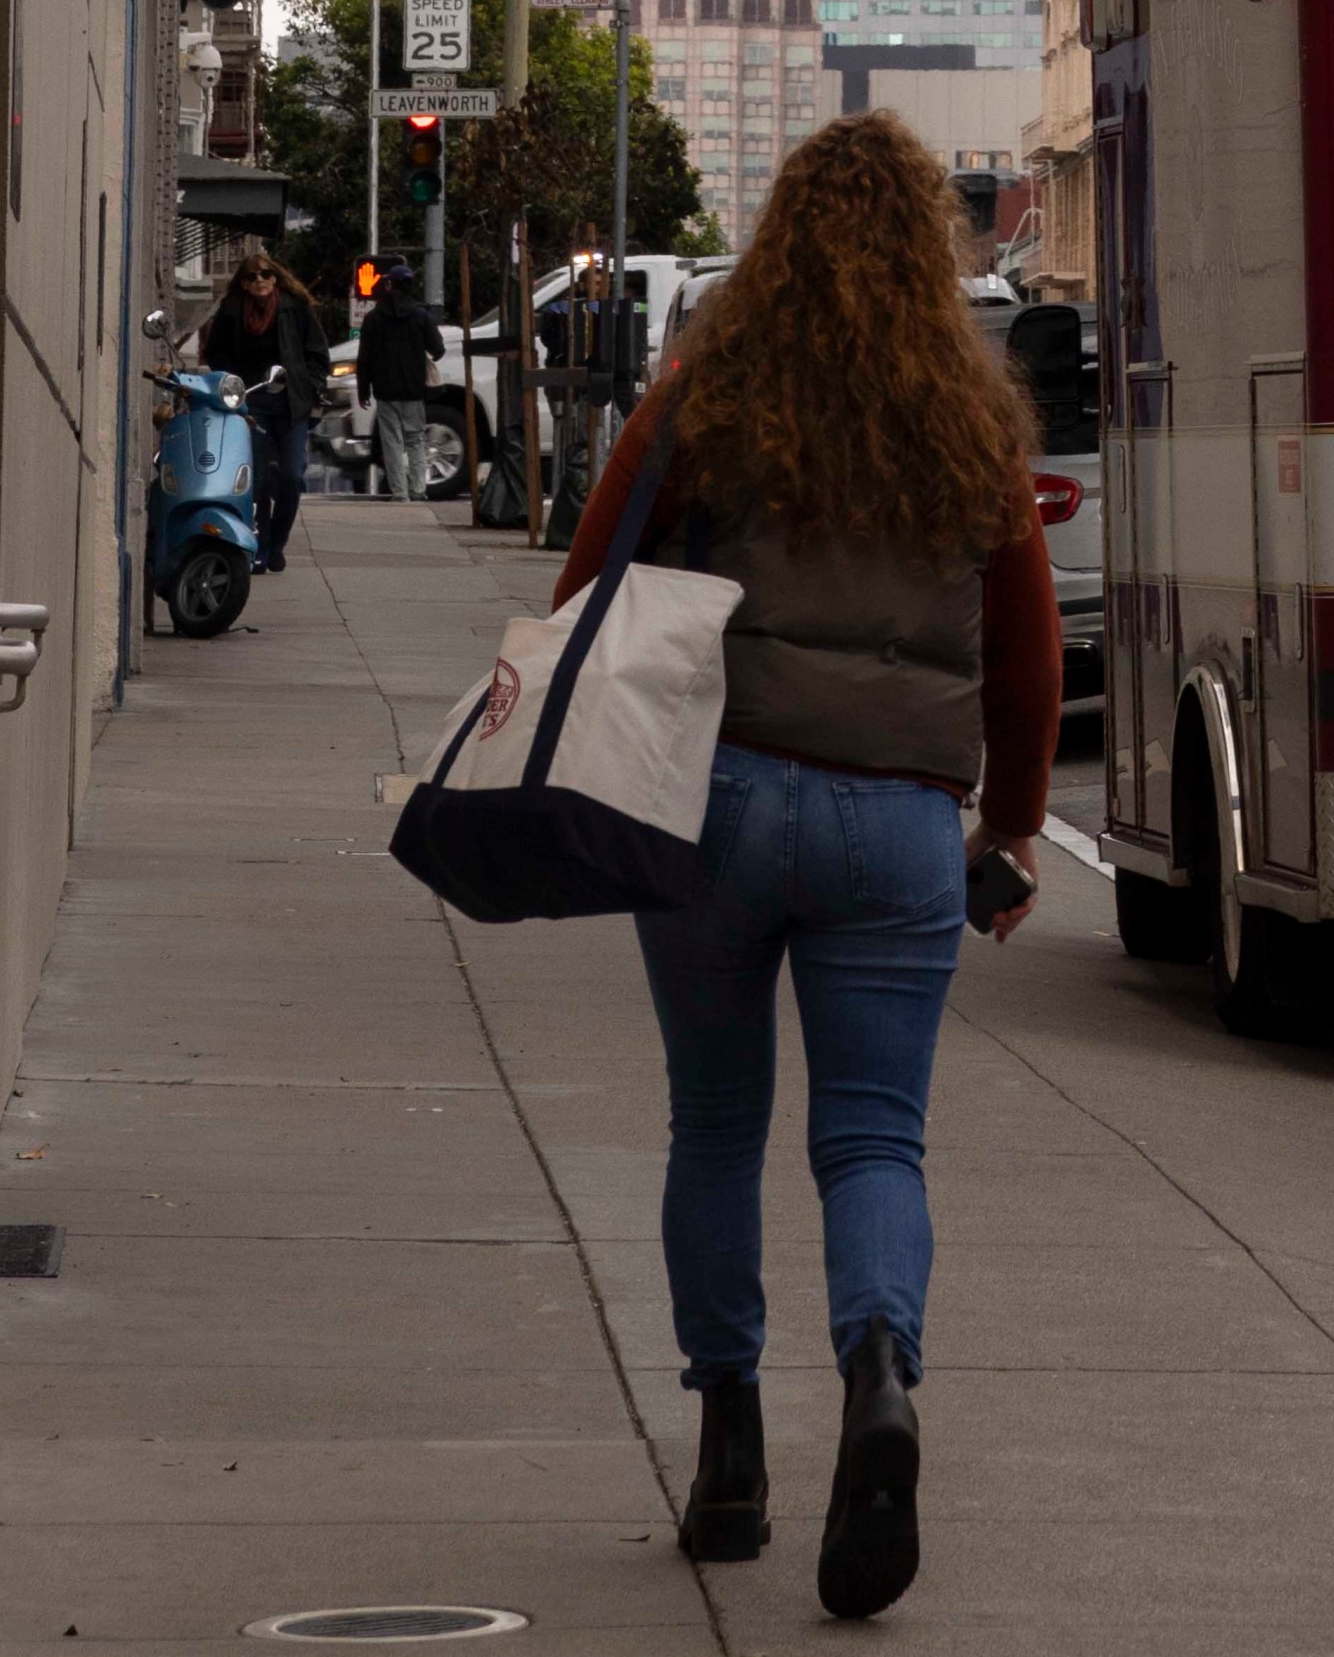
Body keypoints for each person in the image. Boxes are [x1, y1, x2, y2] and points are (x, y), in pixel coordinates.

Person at [551, 110, 1056, 1624]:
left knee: (714, 1123)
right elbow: (1027, 656)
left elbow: (590, 581)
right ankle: (881, 1375)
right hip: (898, 820)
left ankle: (727, 1452)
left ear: (778, 241)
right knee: (872, 1141)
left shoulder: (711, 387)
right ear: (930, 243)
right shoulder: (974, 416)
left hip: (715, 793)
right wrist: (1011, 825)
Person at [192, 242, 331, 574]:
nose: (260, 281)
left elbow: (318, 354)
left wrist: (310, 386)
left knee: (292, 476)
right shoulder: (231, 311)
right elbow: (216, 354)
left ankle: (279, 543)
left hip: (291, 402)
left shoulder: (294, 308)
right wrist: (233, 390)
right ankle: (261, 547)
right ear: (244, 282)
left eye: (266, 274)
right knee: (256, 480)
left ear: (275, 278)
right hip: (251, 403)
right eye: (253, 277)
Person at [355, 261, 442, 503]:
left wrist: (364, 389)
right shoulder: (420, 315)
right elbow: (438, 348)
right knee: (415, 439)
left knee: (391, 441)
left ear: (389, 284)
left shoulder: (374, 318)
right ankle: (418, 489)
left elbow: (364, 358)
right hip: (413, 389)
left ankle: (399, 492)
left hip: (385, 389)